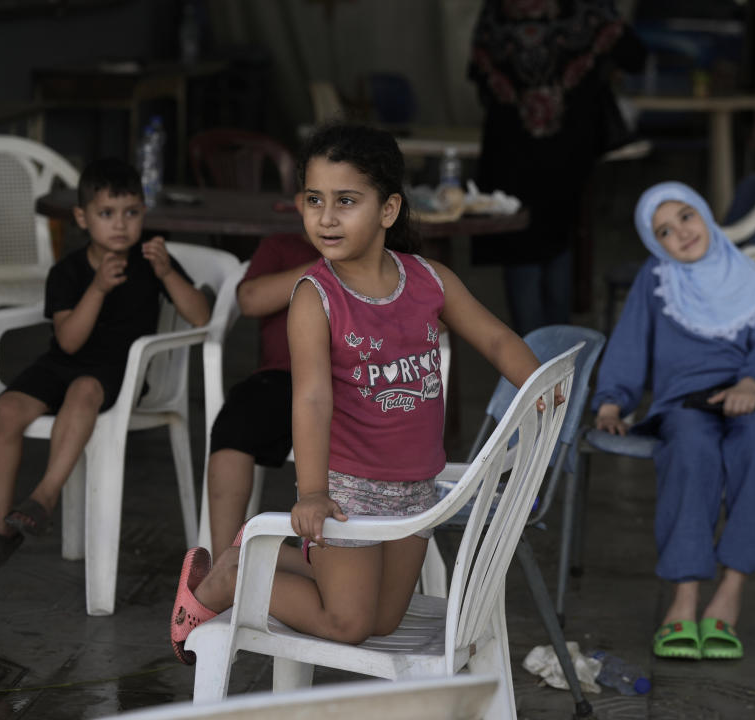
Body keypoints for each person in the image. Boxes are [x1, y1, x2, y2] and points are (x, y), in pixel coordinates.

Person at [169, 123, 561, 664]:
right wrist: (310, 491)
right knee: (348, 623)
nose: (326, 217)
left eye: (346, 201)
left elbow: (494, 338)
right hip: (348, 489)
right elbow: (310, 398)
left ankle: (256, 559)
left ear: (388, 210)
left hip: (417, 484)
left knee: (383, 620)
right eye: (314, 200)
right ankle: (230, 577)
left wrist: (540, 385)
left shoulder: (429, 280)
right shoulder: (316, 297)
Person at [0, 158, 210, 570]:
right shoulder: (67, 271)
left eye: (131, 213)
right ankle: (0, 526)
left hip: (118, 372)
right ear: (83, 218)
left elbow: (201, 316)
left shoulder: (151, 262)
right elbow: (68, 340)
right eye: (106, 214)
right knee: (6, 410)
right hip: (61, 362)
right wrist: (97, 288)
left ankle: (44, 496)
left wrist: (168, 273)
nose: (120, 225)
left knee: (83, 390)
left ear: (143, 214)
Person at [592, 181, 755, 661]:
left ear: (704, 213)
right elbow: (629, 341)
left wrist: (751, 384)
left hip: (753, 399)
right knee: (691, 450)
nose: (681, 233)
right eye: (664, 230)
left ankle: (731, 589)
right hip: (685, 405)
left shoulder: (754, 281)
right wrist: (610, 402)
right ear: (654, 243)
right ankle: (684, 596)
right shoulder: (658, 279)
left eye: (686, 216)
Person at [467, 0, 644, 335]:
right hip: (566, 147)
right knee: (558, 244)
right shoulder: (586, 9)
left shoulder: (499, 9)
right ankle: (558, 362)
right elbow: (634, 56)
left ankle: (532, 365)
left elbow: (480, 77)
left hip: (511, 146)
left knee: (520, 245)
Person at [205, 232, 320, 560]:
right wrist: (323, 266)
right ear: (300, 204)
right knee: (234, 427)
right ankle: (224, 565)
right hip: (284, 378)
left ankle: (331, 563)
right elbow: (250, 299)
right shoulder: (283, 246)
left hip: (354, 384)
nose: (329, 215)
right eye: (315, 200)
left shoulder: (379, 254)